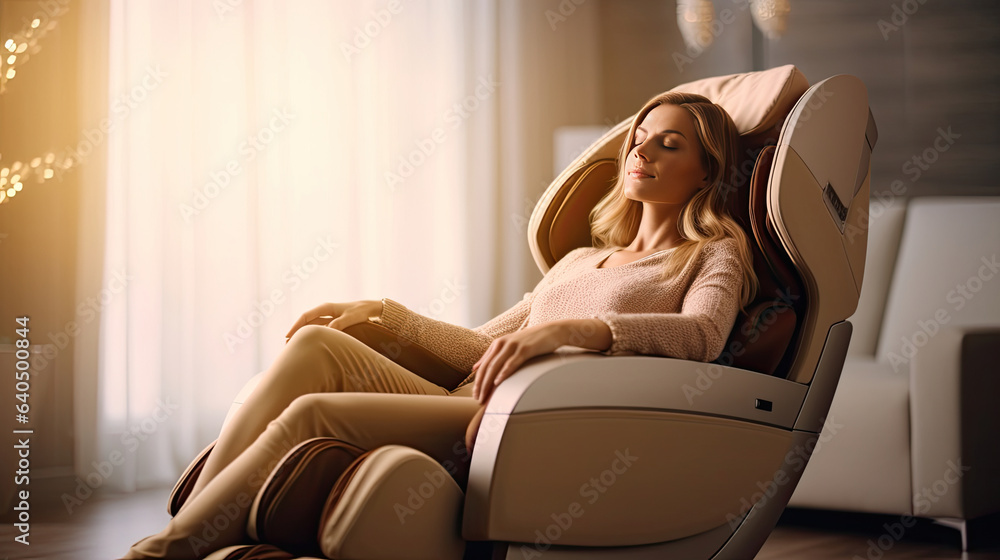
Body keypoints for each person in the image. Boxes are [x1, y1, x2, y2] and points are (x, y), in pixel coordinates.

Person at [121, 91, 758, 559]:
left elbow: (703, 337)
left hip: (528, 421)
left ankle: (166, 552)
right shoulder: (579, 259)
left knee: (312, 415)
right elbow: (482, 345)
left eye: (668, 143)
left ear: (706, 171)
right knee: (321, 344)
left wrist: (579, 332)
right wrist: (380, 312)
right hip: (468, 400)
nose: (642, 149)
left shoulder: (713, 252)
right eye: (639, 137)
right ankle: (194, 528)